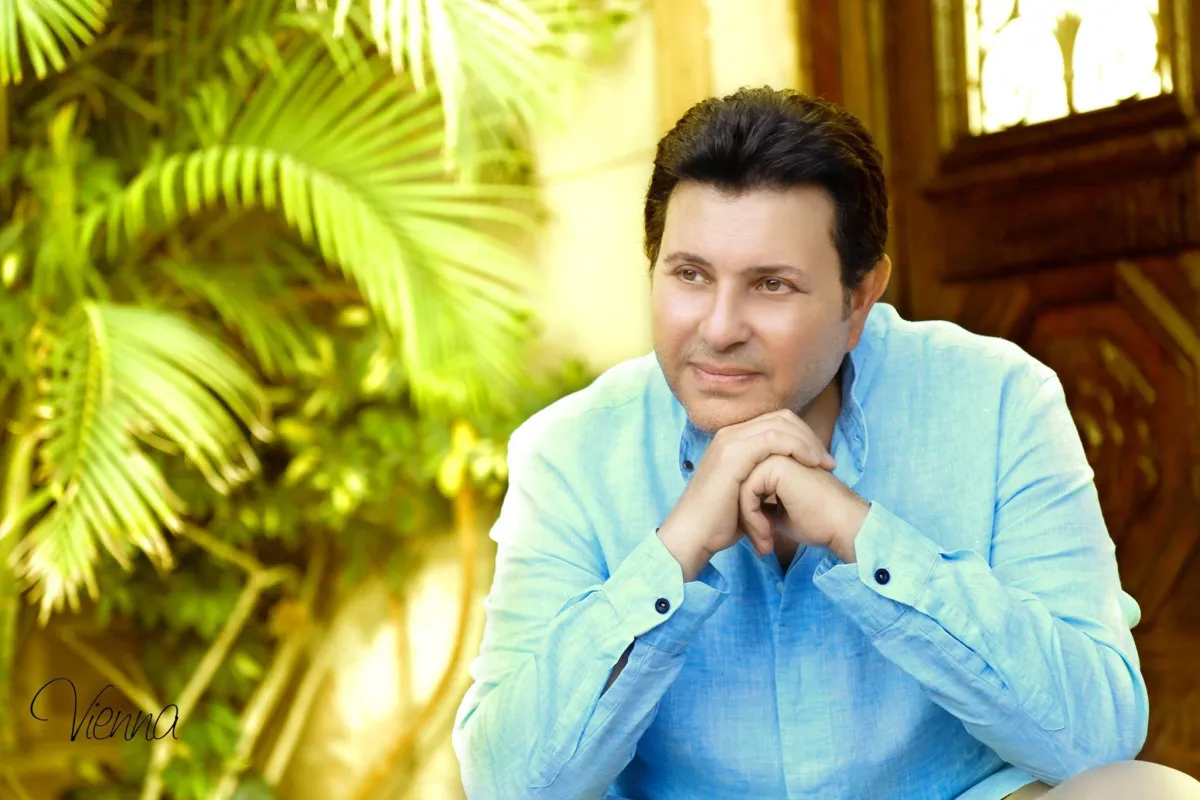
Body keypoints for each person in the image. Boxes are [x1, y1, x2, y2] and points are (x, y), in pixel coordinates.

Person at [451, 87, 1200, 799]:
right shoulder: (569, 453)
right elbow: (508, 784)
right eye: (690, 275)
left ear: (861, 296)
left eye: (771, 284)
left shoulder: (1000, 400)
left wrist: (860, 533)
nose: (719, 327)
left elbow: (1097, 739)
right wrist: (673, 553)